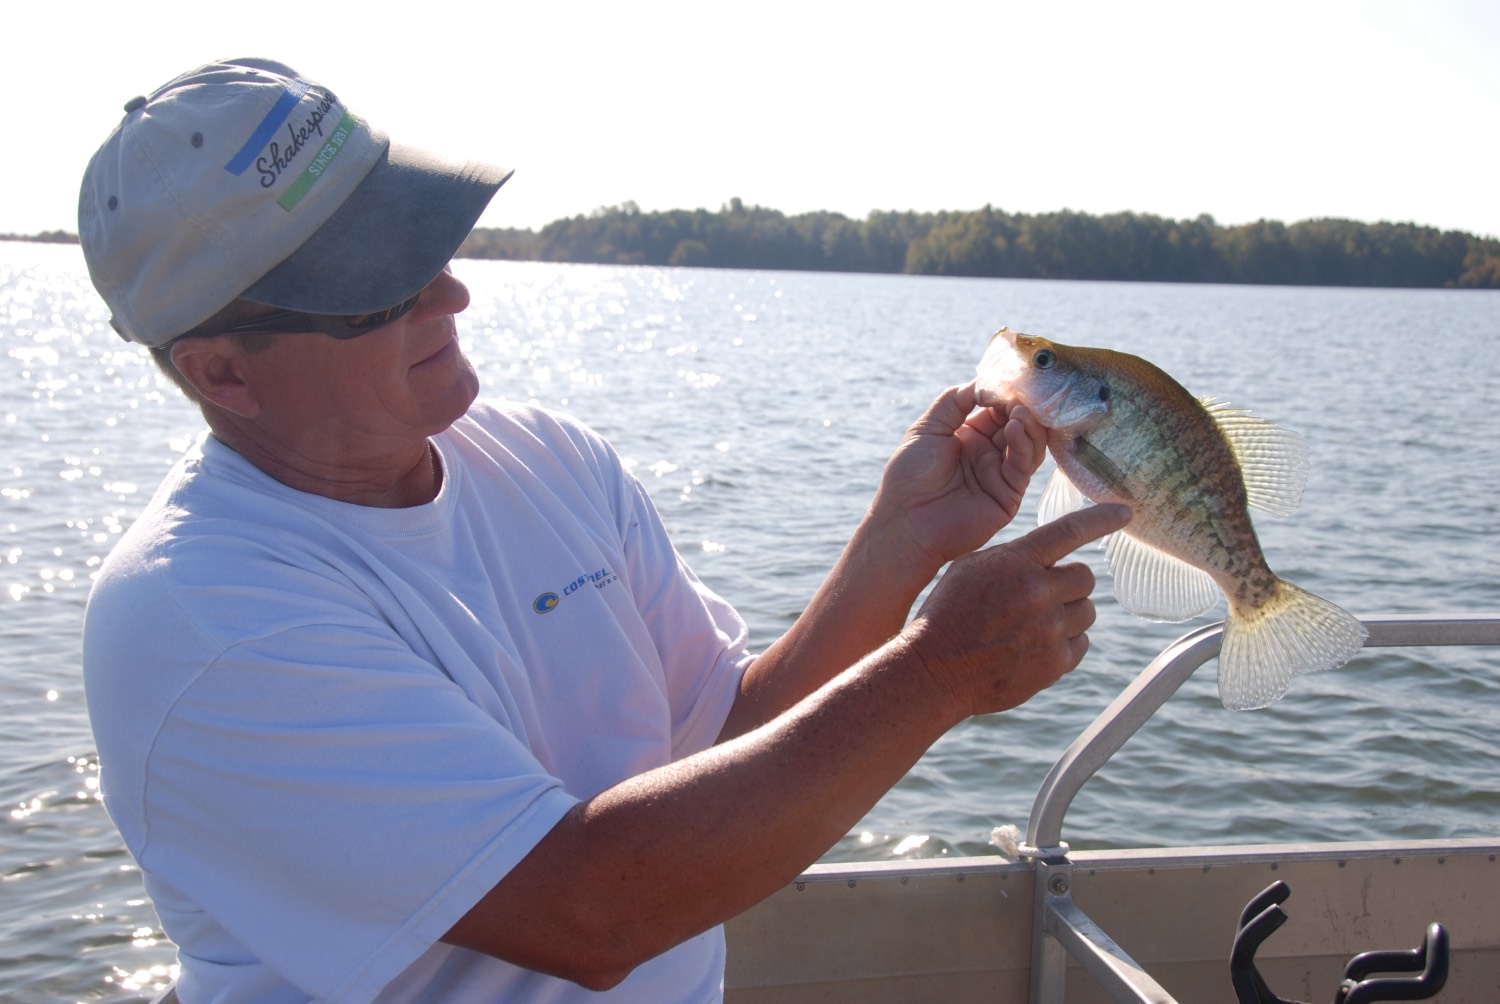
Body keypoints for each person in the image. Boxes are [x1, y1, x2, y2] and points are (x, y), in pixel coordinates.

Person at [77, 58, 1130, 1003]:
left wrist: (896, 548)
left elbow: (721, 736)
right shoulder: (201, 615)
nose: (452, 287)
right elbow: (587, 913)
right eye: (380, 288)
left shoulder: (546, 456)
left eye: (428, 241)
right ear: (222, 371)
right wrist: (935, 672)